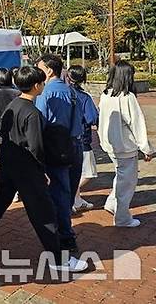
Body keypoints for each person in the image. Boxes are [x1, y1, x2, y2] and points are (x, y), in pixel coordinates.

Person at [0, 67, 87, 273]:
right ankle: (58, 258)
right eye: (42, 82)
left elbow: (1, 131)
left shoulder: (13, 105)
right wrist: (43, 170)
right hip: (26, 168)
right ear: (37, 85)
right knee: (44, 211)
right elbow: (36, 146)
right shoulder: (32, 113)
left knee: (0, 200)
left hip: (8, 162)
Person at [35, 53, 83, 252]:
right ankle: (65, 232)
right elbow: (80, 121)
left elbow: (40, 122)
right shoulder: (72, 91)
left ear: (48, 70)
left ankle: (64, 236)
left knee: (59, 194)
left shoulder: (45, 93)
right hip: (74, 146)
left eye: (39, 68)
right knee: (68, 192)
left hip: (54, 148)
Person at [98, 61, 155, 227]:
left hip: (110, 145)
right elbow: (137, 124)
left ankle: (111, 204)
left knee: (121, 177)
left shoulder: (106, 94)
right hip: (125, 146)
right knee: (127, 183)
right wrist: (146, 148)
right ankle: (122, 218)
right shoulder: (127, 97)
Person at [66, 65, 99, 212]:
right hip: (82, 140)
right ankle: (70, 194)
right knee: (89, 172)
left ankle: (77, 200)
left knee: (73, 171)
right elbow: (92, 117)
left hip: (64, 140)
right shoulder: (84, 97)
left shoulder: (62, 93)